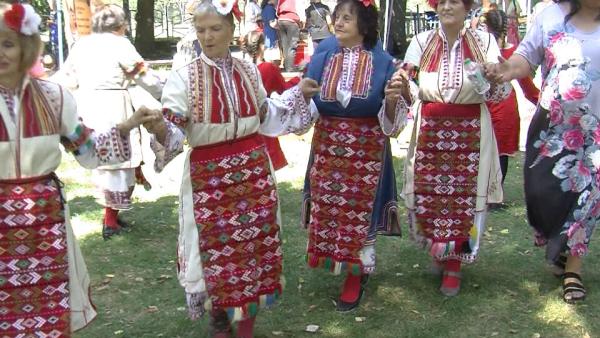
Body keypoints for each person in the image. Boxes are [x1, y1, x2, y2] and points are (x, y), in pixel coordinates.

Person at [140, 0, 318, 336]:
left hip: (253, 174)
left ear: (231, 30)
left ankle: (247, 320)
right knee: (216, 252)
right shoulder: (183, 78)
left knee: (253, 246)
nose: (207, 36)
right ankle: (220, 315)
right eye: (201, 30)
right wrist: (160, 128)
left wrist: (299, 95)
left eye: (215, 28)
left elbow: (266, 116)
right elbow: (175, 132)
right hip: (209, 180)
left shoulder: (249, 70)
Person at [0, 3, 157, 337]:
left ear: (27, 46)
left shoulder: (54, 98)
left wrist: (127, 124)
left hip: (43, 218)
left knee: (46, 303)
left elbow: (88, 151)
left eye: (7, 44)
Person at [485, 0, 600, 304]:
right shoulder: (550, 16)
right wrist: (506, 70)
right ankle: (558, 243)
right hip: (552, 128)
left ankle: (573, 270)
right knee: (540, 195)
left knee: (588, 197)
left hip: (596, 131)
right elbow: (526, 57)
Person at [301, 0, 410, 312]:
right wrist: (303, 94)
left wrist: (391, 101)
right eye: (337, 17)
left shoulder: (384, 62)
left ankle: (355, 274)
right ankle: (338, 261)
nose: (339, 22)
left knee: (359, 212)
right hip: (328, 146)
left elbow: (392, 123)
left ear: (363, 24)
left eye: (347, 18)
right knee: (332, 209)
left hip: (367, 152)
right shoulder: (322, 55)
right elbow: (307, 107)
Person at [402, 0, 511, 297]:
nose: (447, 7)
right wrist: (401, 86)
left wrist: (493, 74)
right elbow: (409, 85)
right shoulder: (421, 42)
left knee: (464, 195)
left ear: (467, 8)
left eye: (455, 2)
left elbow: (501, 90)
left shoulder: (484, 41)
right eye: (442, 2)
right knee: (431, 192)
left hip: (471, 128)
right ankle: (439, 249)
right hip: (430, 130)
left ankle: (455, 264)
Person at [53, 4, 163, 240]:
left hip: (89, 105)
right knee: (118, 163)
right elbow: (143, 75)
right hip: (114, 106)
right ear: (120, 26)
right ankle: (109, 221)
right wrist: (165, 91)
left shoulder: (81, 44)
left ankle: (111, 216)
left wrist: (47, 91)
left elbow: (67, 78)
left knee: (103, 161)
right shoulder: (120, 44)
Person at [484, 8, 539, 208]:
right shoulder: (513, 53)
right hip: (505, 106)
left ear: (486, 26)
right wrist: (543, 103)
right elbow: (528, 88)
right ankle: (495, 195)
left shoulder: (480, 50)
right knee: (502, 153)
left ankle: (487, 194)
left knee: (484, 150)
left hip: (482, 105)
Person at [243, 30, 302, 170]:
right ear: (262, 46)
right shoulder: (268, 68)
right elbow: (285, 89)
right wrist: (299, 78)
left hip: (245, 125)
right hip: (264, 123)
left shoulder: (241, 69)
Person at [276, 0, 305, 71]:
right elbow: (300, 9)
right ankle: (290, 68)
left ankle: (286, 66)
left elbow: (277, 11)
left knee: (285, 46)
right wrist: (303, 21)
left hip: (281, 20)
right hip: (292, 20)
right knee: (292, 46)